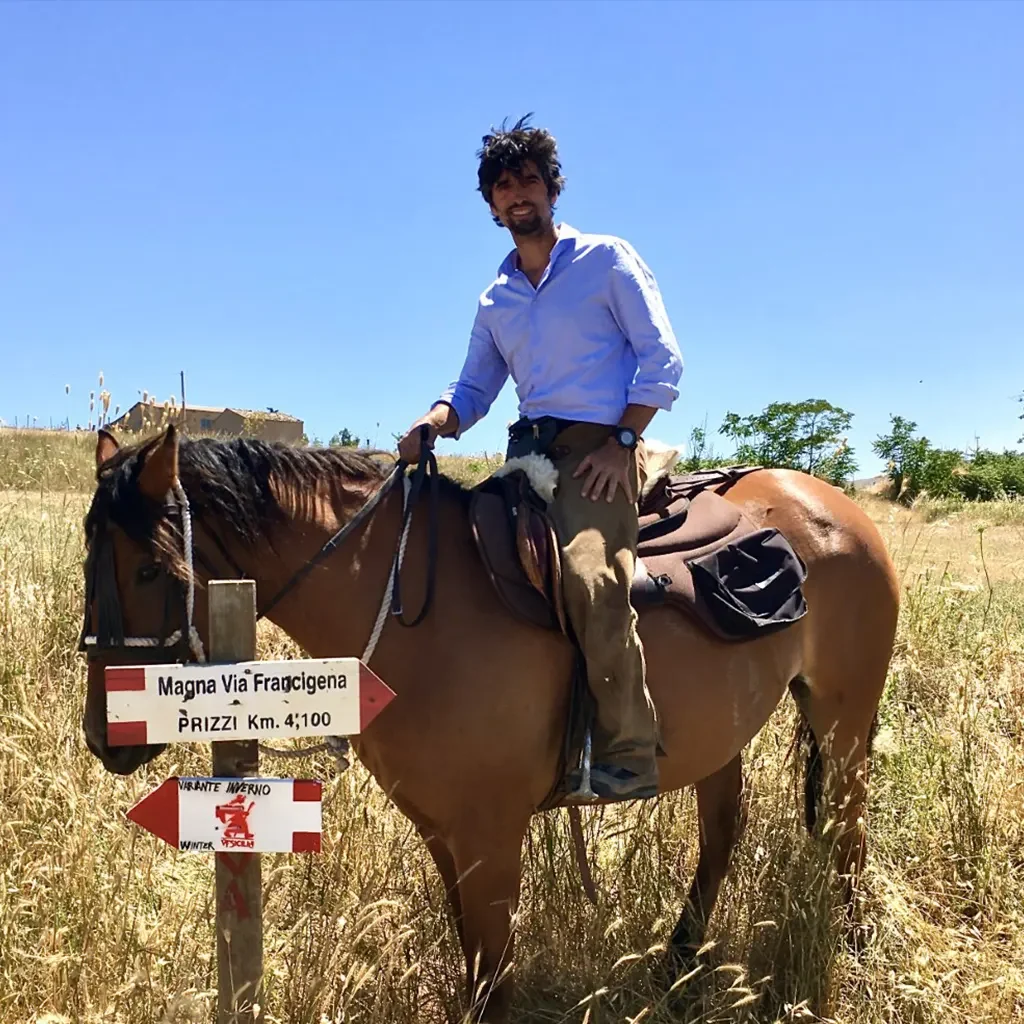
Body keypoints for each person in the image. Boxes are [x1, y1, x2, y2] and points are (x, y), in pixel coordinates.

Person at [398, 117, 683, 801]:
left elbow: (662, 359)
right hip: (527, 455)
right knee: (457, 563)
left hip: (599, 450)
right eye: (503, 185)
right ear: (491, 205)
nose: (516, 193)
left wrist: (623, 443)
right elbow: (474, 388)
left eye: (528, 179)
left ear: (551, 188)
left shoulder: (606, 260)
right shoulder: (495, 298)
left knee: (590, 581)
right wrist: (434, 422)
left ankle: (628, 749)